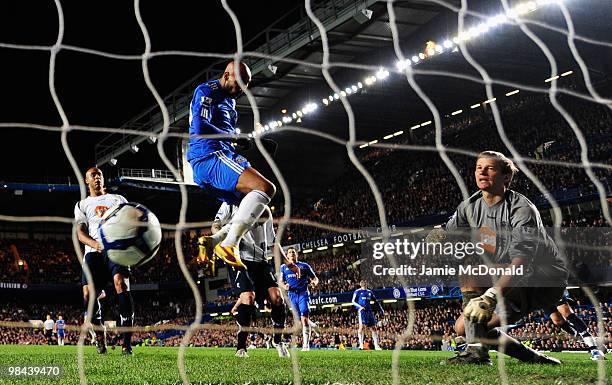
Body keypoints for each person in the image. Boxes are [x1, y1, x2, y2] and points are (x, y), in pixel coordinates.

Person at [444, 151, 567, 365]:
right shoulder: (469, 206)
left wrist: (489, 296)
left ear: (506, 177)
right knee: (464, 327)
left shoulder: (522, 209)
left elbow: (522, 261)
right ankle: (533, 358)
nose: (481, 171)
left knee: (471, 272)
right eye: (478, 167)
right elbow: (451, 234)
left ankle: (476, 356)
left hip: (543, 279)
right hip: (513, 278)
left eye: (490, 168)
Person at [188, 60, 276, 270]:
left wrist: (243, 142)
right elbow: (199, 126)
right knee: (266, 188)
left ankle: (213, 240)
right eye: (240, 82)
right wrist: (234, 138)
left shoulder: (230, 103)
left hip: (220, 155)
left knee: (262, 213)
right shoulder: (207, 91)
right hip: (209, 157)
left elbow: (225, 135)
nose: (242, 88)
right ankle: (230, 244)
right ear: (226, 75)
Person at [211, 202, 289, 358]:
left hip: (261, 261)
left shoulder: (264, 207)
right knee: (248, 297)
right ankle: (241, 348)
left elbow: (273, 242)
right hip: (239, 259)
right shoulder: (229, 203)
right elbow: (215, 226)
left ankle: (278, 341)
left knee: (277, 297)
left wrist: (288, 263)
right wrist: (221, 242)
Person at [74, 167, 134, 355]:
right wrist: (95, 244)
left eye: (99, 174)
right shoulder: (82, 205)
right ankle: (100, 337)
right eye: (93, 175)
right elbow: (80, 234)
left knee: (120, 284)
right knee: (88, 295)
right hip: (93, 252)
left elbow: (131, 222)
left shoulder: (118, 200)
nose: (97, 177)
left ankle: (126, 343)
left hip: (116, 250)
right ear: (86, 181)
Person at [547, 291, 607, 360]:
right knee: (557, 321)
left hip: (551, 285)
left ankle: (595, 351)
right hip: (541, 294)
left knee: (565, 310)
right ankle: (593, 341)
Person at [280, 248, 319, 351]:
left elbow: (315, 278)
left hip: (303, 294)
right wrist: (284, 286)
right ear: (287, 256)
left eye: (293, 252)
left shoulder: (304, 266)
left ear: (296, 254)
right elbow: (280, 281)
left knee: (304, 318)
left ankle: (306, 346)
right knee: (299, 320)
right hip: (292, 295)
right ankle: (314, 325)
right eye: (289, 252)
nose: (291, 253)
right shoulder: (283, 267)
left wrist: (314, 282)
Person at [352, 280, 384, 350]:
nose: (364, 284)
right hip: (362, 311)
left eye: (365, 283)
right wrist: (360, 307)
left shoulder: (370, 292)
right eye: (363, 283)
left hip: (369, 311)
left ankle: (376, 346)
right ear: (360, 284)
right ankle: (361, 345)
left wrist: (381, 309)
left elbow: (376, 301)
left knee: (374, 328)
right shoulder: (357, 292)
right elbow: (353, 301)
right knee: (361, 328)